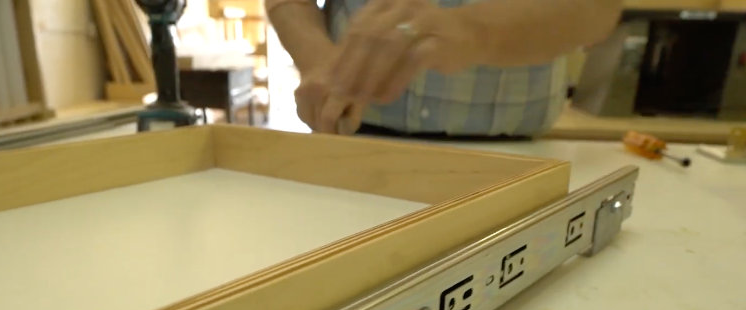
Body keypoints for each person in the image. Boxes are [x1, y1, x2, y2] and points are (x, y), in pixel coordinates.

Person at [265, 0, 623, 139]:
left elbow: (598, 9)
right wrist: (319, 60)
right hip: (347, 138)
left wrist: (475, 31)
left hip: (512, 158)